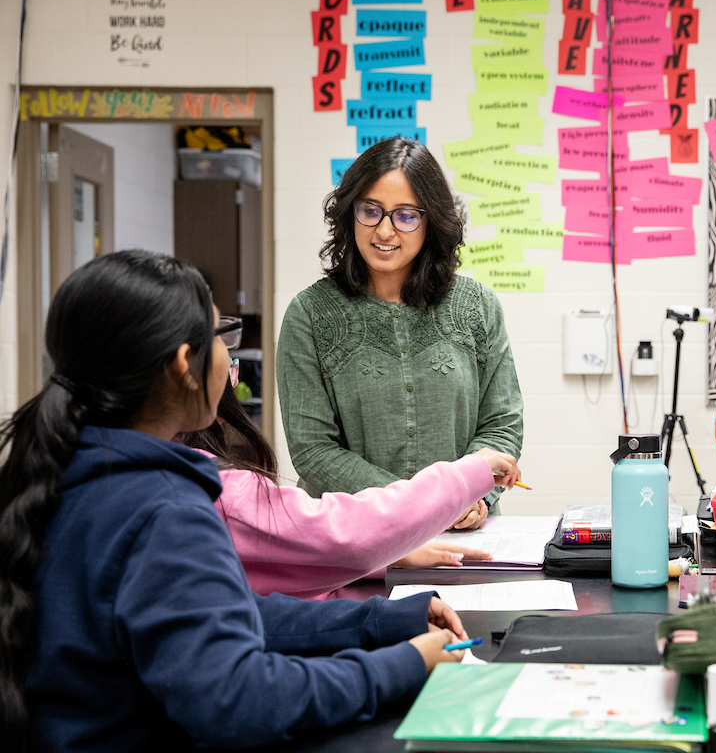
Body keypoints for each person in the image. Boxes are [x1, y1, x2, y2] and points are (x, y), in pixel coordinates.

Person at [0, 250, 468, 751]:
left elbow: (224, 616)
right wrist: (404, 666)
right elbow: (241, 701)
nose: (230, 356)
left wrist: (377, 621)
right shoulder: (164, 510)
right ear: (185, 364)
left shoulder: (65, 470)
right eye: (220, 339)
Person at [277, 137, 523, 530]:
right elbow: (313, 450)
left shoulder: (478, 306)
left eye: (406, 215)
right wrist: (428, 505)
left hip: (465, 536)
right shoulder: (309, 315)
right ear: (349, 213)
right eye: (370, 211)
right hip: (356, 539)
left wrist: (472, 494)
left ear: (431, 223)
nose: (385, 230)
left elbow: (501, 424)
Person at [179, 381, 519, 599]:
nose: (232, 374)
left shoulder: (163, 476)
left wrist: (389, 553)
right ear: (186, 368)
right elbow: (342, 533)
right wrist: (467, 475)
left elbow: (267, 563)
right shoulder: (211, 487)